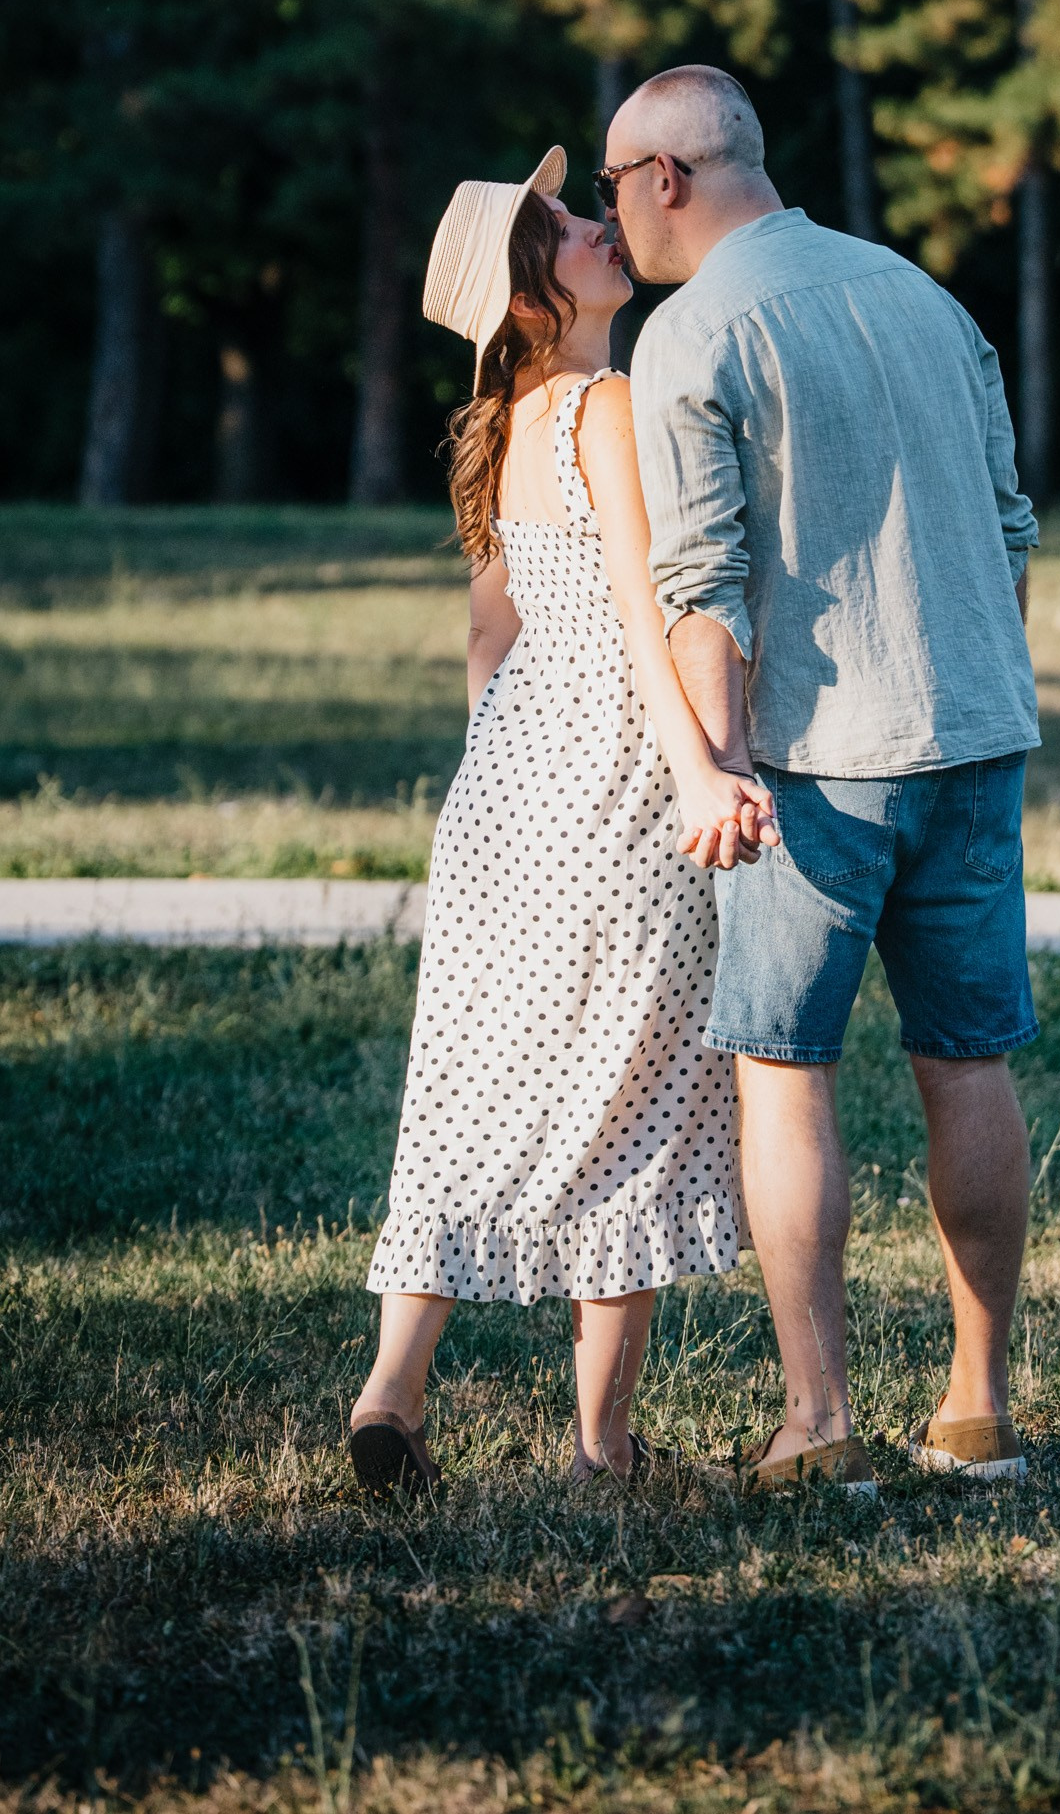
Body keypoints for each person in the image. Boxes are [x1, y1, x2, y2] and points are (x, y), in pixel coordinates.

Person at [602, 65, 1041, 1493]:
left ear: (668, 175)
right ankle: (977, 1407)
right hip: (974, 734)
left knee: (785, 1079)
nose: (616, 215)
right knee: (966, 1064)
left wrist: (712, 768)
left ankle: (820, 1421)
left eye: (614, 185)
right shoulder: (924, 295)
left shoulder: (692, 333)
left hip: (810, 765)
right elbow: (1010, 519)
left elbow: (704, 585)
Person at [348, 147, 775, 1498]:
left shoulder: (508, 424)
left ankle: (393, 1393)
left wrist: (500, 782)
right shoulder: (607, 402)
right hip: (618, 787)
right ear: (536, 302)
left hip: (506, 794)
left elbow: (490, 634)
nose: (600, 228)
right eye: (568, 229)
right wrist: (699, 765)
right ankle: (600, 1449)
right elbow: (652, 617)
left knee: (475, 1098)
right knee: (631, 1102)